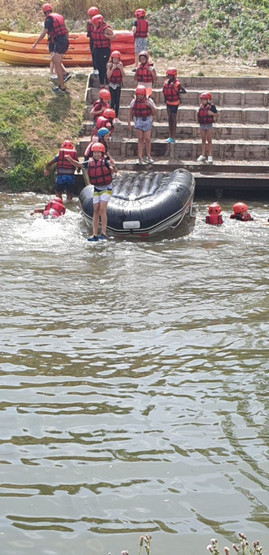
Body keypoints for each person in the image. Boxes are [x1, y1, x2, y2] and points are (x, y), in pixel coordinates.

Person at [65, 142, 116, 241]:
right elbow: (77, 164)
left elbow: (113, 170)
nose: (97, 155)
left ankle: (104, 233)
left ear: (102, 154)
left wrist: (113, 166)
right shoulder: (89, 162)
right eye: (95, 153)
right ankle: (95, 234)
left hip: (106, 188)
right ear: (93, 153)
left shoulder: (106, 162)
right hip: (96, 189)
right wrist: (69, 159)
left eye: (99, 153)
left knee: (102, 209)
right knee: (96, 210)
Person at [32, 4, 69, 94]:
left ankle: (62, 87)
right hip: (64, 41)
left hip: (60, 42)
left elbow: (44, 33)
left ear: (44, 12)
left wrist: (35, 43)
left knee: (56, 62)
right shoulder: (59, 17)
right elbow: (66, 31)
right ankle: (64, 77)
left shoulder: (48, 20)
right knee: (54, 60)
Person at [128, 85, 157, 165]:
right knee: (140, 139)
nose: (140, 96)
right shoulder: (134, 101)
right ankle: (140, 157)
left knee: (147, 139)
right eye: (139, 94)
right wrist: (129, 123)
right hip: (138, 120)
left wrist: (150, 106)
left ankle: (148, 156)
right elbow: (130, 111)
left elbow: (155, 112)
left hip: (147, 120)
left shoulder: (149, 100)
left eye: (142, 94)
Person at [162, 67, 187, 143]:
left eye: (170, 75)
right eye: (168, 75)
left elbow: (184, 91)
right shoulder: (166, 83)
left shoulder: (177, 83)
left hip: (175, 103)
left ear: (174, 75)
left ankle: (173, 136)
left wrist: (177, 92)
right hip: (168, 102)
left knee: (173, 119)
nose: (169, 77)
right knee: (169, 119)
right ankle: (170, 136)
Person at [91, 14, 115, 88]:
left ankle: (106, 82)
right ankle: (101, 82)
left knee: (104, 66)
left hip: (105, 50)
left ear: (99, 22)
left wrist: (107, 36)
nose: (94, 25)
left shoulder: (106, 29)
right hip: (97, 49)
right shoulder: (95, 28)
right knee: (98, 66)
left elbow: (114, 37)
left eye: (95, 23)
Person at [197, 92, 219, 163]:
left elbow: (217, 114)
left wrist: (211, 113)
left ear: (208, 100)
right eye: (202, 99)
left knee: (209, 140)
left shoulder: (212, 107)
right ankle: (203, 154)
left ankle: (210, 155)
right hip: (202, 124)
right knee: (203, 140)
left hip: (209, 125)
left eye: (204, 99)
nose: (203, 101)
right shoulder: (201, 106)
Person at [106, 50, 125, 122]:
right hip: (111, 85)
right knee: (112, 100)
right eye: (114, 59)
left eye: (117, 59)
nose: (116, 61)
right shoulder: (110, 65)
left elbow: (123, 75)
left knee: (117, 101)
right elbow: (108, 76)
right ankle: (110, 116)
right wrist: (112, 69)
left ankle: (116, 116)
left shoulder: (120, 65)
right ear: (112, 59)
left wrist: (120, 69)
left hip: (118, 84)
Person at [86, 6, 99, 73]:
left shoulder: (100, 22)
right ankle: (95, 68)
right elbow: (89, 32)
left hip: (98, 39)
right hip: (93, 39)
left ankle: (99, 67)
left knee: (98, 53)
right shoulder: (89, 22)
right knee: (93, 53)